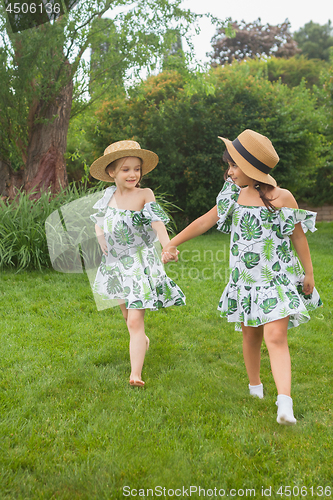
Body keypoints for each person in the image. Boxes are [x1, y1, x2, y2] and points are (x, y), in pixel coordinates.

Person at [162, 129, 322, 425]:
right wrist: (173, 242)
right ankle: (255, 388)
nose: (229, 171)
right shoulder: (232, 195)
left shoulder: (282, 197)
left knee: (276, 337)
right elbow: (205, 221)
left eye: (234, 165)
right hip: (245, 282)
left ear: (251, 169)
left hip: (277, 280)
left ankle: (284, 403)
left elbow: (298, 236)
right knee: (251, 334)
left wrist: (308, 272)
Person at [90, 140, 185, 387]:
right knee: (127, 318)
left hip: (139, 264)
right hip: (115, 265)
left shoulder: (145, 194)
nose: (133, 174)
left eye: (137, 169)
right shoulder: (107, 195)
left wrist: (167, 245)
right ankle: (141, 340)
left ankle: (136, 374)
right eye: (126, 169)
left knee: (134, 320)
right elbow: (99, 220)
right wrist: (100, 236)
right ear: (111, 172)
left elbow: (157, 222)